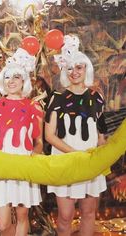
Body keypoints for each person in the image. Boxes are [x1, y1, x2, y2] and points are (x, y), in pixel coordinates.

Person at [45, 34, 107, 236]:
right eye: (69, 68)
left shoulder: (97, 97)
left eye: (79, 67)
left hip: (89, 163)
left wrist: (100, 156)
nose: (74, 72)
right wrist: (74, 154)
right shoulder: (57, 98)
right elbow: (49, 135)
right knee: (65, 216)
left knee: (89, 213)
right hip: (66, 162)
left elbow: (100, 133)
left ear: (86, 68)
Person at [0, 48, 43, 236]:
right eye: (8, 77)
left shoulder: (34, 107)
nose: (11, 81)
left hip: (23, 166)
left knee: (22, 216)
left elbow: (39, 141)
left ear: (23, 80)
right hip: (0, 168)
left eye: (16, 77)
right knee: (2, 224)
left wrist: (34, 155)